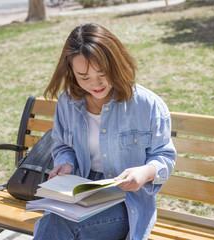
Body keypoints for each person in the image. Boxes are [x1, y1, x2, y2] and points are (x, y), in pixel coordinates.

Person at [33, 23, 176, 240]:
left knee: (57, 225)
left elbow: (164, 156)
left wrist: (144, 173)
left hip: (127, 200)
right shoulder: (67, 101)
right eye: (84, 76)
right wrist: (66, 163)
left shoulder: (147, 105)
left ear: (115, 64)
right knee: (55, 221)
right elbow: (63, 145)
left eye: (102, 73)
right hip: (81, 194)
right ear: (71, 71)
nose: (96, 84)